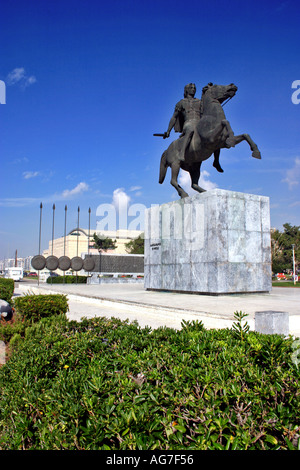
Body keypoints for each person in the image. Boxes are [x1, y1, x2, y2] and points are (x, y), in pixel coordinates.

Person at [164, 83, 201, 162]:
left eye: (194, 88)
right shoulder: (181, 103)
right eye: (191, 87)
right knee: (191, 128)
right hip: (188, 123)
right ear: (186, 90)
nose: (193, 89)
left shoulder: (200, 101)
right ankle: (182, 153)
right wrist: (168, 131)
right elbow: (174, 117)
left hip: (200, 123)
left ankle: (216, 160)